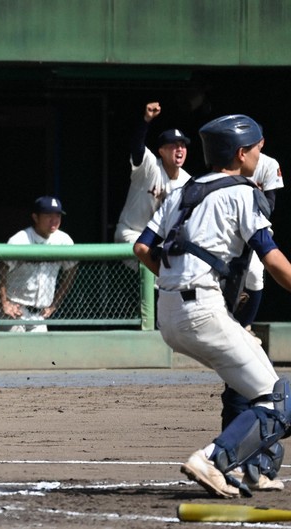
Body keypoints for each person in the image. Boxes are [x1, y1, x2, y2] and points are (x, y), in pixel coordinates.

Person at [133, 114, 291, 498]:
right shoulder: (242, 192)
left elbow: (141, 247)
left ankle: (252, 466)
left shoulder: (184, 191)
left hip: (170, 313)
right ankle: (213, 460)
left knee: (256, 383)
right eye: (255, 147)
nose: (259, 152)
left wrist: (174, 281)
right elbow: (271, 259)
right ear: (241, 153)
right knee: (279, 401)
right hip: (201, 309)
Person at [0, 196, 78, 332]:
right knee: (15, 351)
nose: (54, 220)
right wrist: (4, 303)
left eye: (57, 215)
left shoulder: (64, 240)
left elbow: (71, 269)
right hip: (14, 310)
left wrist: (55, 304)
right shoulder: (20, 239)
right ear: (35, 217)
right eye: (48, 215)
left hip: (39, 315)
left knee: (40, 352)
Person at [114, 102, 192, 246]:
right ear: (162, 151)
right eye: (174, 145)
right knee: (151, 256)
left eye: (182, 145)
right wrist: (145, 120)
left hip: (158, 240)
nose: (179, 149)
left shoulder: (187, 181)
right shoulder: (150, 166)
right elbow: (137, 147)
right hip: (131, 233)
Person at [234, 152, 284, 338]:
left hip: (253, 225)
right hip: (226, 232)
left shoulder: (267, 163)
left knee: (255, 274)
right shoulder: (227, 162)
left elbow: (268, 206)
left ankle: (246, 327)